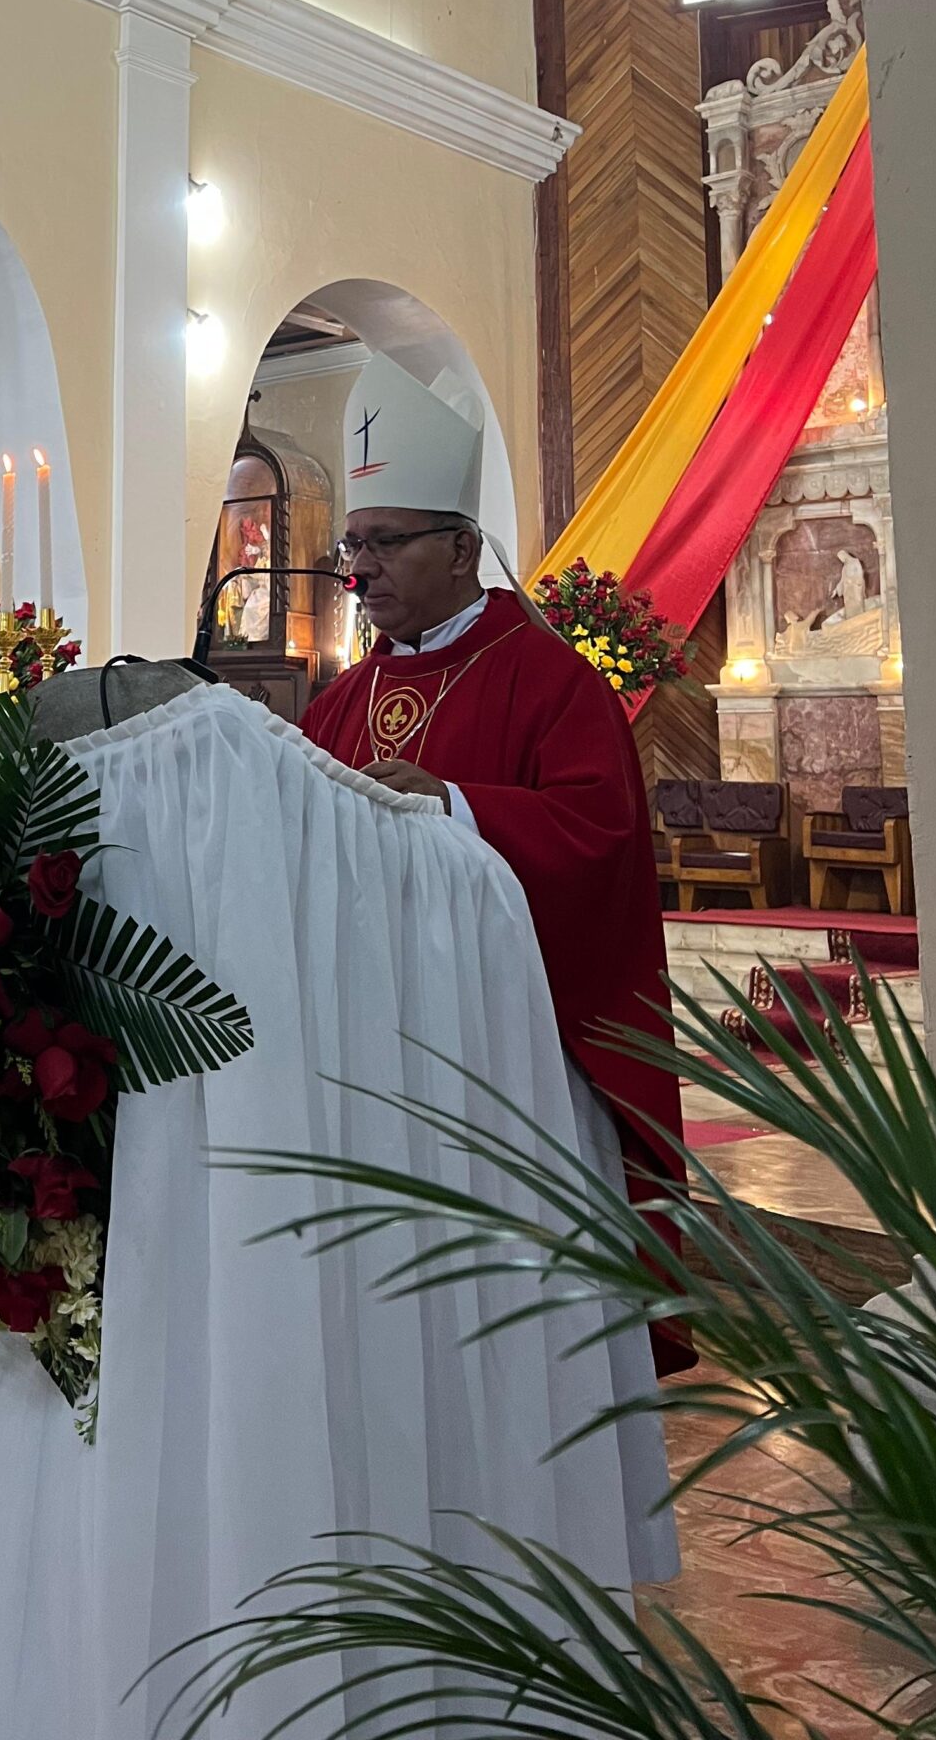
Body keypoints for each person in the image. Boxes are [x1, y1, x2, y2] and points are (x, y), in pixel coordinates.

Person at [303, 353, 691, 1388]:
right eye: (355, 549)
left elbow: (600, 836)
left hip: (509, 1061)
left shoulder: (551, 679)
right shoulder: (342, 700)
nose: (364, 570)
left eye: (386, 543)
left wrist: (455, 804)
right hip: (366, 1054)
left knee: (510, 1353)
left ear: (463, 543)